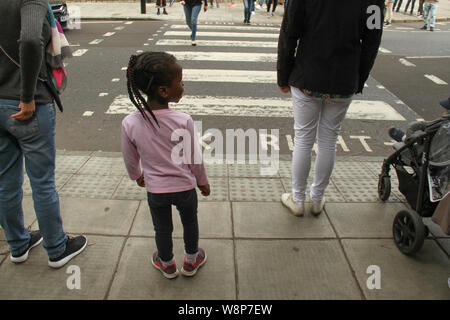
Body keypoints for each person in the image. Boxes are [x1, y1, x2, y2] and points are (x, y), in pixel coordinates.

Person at [0, 0, 87, 268]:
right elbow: (29, 40)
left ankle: (18, 244)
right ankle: (57, 248)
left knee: (5, 181)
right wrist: (26, 96)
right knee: (42, 181)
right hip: (27, 104)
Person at [277, 0, 383, 216]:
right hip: (343, 79)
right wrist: (358, 79)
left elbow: (289, 33)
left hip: (307, 75)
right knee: (329, 140)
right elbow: (373, 41)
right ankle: (317, 199)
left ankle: (297, 199)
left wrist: (283, 74)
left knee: (303, 139)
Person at [122, 52, 210, 279]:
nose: (183, 85)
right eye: (179, 82)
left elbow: (130, 157)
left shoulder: (130, 122)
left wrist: (137, 175)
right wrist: (203, 182)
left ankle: (167, 263)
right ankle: (192, 260)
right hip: (185, 189)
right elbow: (194, 158)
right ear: (164, 90)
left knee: (162, 229)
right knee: (190, 224)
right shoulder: (183, 121)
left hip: (156, 190)